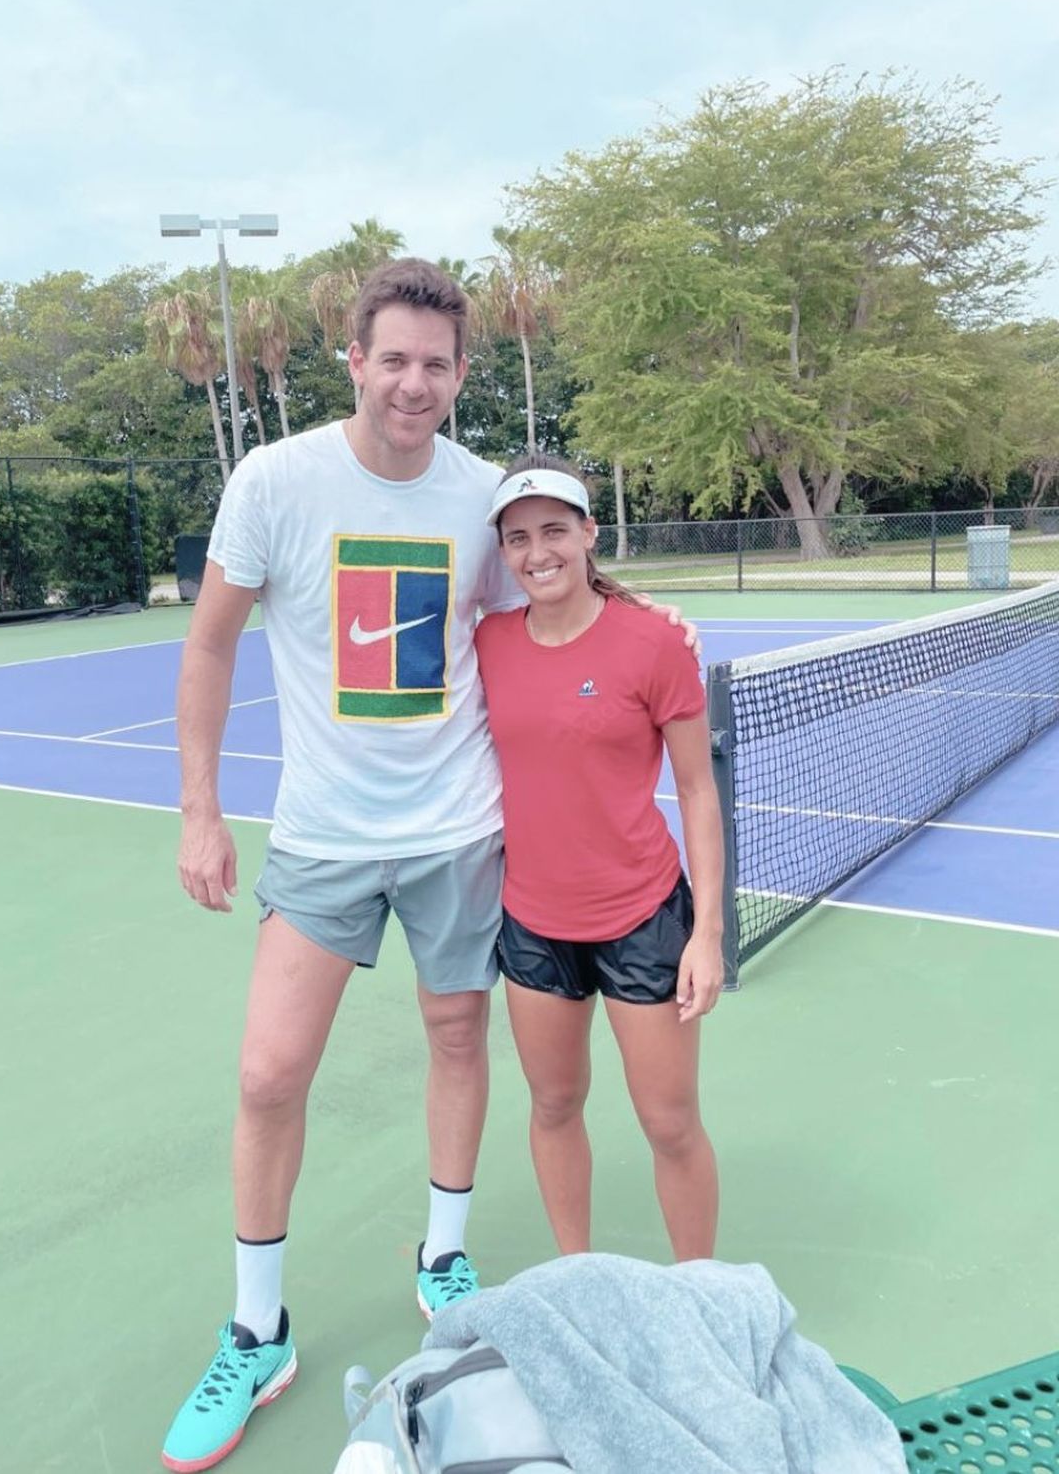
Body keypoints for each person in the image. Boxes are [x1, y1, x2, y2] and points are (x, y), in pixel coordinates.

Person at [161, 259, 697, 1473]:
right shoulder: (277, 479)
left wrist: (650, 616)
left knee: (461, 1039)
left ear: (459, 376)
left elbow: (555, 591)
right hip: (322, 837)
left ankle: (442, 1251)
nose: (415, 382)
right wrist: (202, 809)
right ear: (355, 358)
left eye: (437, 365)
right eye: (393, 358)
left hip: (460, 831)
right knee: (267, 1074)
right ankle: (258, 1328)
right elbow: (208, 648)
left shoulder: (479, 497)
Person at [475, 451, 724, 1263]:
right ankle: (577, 1278)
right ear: (503, 553)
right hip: (533, 924)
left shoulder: (654, 644)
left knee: (669, 1122)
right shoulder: (488, 643)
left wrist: (707, 934)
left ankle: (702, 1296)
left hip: (644, 917)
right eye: (517, 538)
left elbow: (696, 792)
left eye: (554, 530)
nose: (537, 552)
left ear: (590, 533)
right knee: (553, 1104)